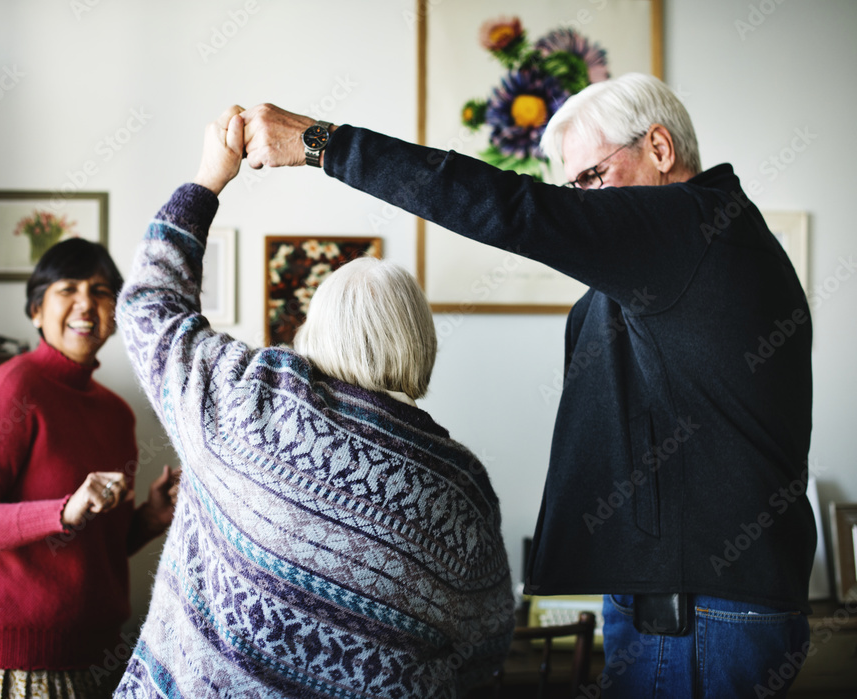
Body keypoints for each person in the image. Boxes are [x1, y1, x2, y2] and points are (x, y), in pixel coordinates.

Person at [241, 73, 816, 697]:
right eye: (574, 188)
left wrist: (323, 143)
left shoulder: (694, 225)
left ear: (659, 148)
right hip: (685, 604)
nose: (584, 202)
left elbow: (516, 211)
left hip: (698, 614)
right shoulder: (688, 249)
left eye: (593, 179)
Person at [112, 106, 515, 699]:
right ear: (420, 346)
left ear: (314, 331)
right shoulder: (460, 488)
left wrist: (207, 180)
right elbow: (483, 652)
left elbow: (149, 305)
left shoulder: (247, 400)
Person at [0, 238, 180, 699]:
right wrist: (61, 510)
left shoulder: (116, 412)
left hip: (98, 653)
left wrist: (149, 518)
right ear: (36, 311)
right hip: (15, 662)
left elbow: (90, 551)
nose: (87, 303)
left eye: (102, 292)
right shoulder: (13, 388)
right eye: (69, 288)